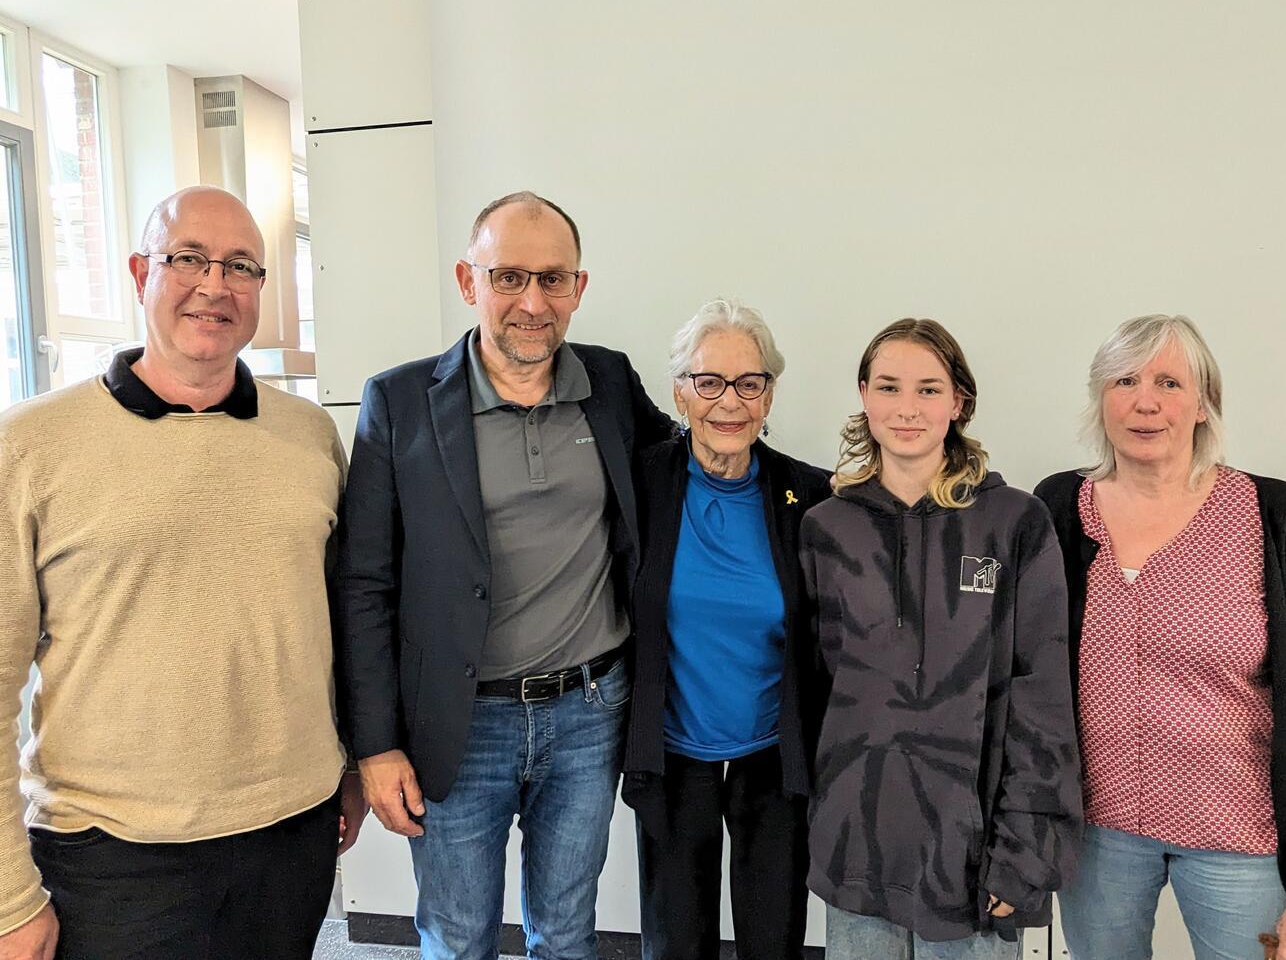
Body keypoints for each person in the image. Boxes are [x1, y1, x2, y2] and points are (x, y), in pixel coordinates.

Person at [0, 186, 366, 959]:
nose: (214, 285)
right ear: (140, 272)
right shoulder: (30, 446)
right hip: (113, 850)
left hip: (290, 830)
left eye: (240, 266)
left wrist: (349, 766)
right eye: (187, 259)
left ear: (262, 288)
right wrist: (8, 897)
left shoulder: (308, 437)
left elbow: (339, 622)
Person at [337, 191, 674, 960]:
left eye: (553, 279)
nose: (532, 301)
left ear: (579, 288)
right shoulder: (400, 402)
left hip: (590, 712)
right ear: (468, 281)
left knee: (566, 932)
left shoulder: (612, 384)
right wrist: (376, 744)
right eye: (509, 277)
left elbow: (688, 468)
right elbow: (364, 585)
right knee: (457, 938)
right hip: (458, 723)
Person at [1034, 315, 1286, 960]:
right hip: (1097, 835)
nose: (1145, 401)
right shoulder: (1060, 508)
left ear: (1204, 403)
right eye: (1125, 380)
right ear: (1101, 399)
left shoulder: (1274, 514)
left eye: (1170, 382)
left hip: (1241, 838)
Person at [799, 318, 1081, 960]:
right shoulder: (826, 528)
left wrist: (1027, 847)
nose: (907, 408)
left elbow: (1042, 693)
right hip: (856, 849)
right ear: (864, 395)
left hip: (972, 858)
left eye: (929, 390)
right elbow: (814, 692)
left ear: (959, 403)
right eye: (890, 387)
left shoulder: (1014, 521)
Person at [621, 299, 831, 960]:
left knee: (774, 941)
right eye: (708, 381)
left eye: (750, 381)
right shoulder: (640, 482)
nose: (729, 401)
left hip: (774, 755)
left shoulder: (809, 495)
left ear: (769, 394)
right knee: (676, 943)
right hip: (673, 755)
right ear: (680, 392)